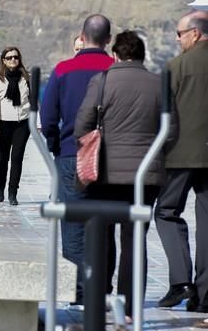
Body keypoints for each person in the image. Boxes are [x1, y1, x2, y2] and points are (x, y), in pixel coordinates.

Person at [74, 31, 177, 320]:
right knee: (135, 239)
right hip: (145, 175)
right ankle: (131, 308)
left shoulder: (102, 81)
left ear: (116, 55)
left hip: (104, 172)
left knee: (102, 235)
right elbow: (172, 131)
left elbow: (82, 125)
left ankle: (101, 298)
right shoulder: (160, 84)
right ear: (143, 55)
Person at [40, 14, 114, 306]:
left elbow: (47, 118)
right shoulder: (115, 69)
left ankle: (77, 289)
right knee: (106, 222)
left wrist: (55, 143)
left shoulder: (63, 70)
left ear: (81, 37)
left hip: (71, 154)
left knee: (72, 223)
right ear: (108, 39)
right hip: (109, 157)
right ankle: (102, 287)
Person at [155, 9, 208, 311]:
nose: (177, 39)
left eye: (180, 33)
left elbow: (164, 115)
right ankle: (204, 297)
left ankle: (180, 282)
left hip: (179, 154)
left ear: (196, 33)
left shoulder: (175, 67)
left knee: (166, 212)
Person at [0, 47, 34, 206]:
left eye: (16, 57)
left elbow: (34, 102)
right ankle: (0, 187)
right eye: (9, 57)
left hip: (23, 123)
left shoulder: (27, 77)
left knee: (17, 158)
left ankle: (13, 192)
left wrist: (38, 124)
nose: (13, 59)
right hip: (4, 124)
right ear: (4, 60)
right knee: (3, 158)